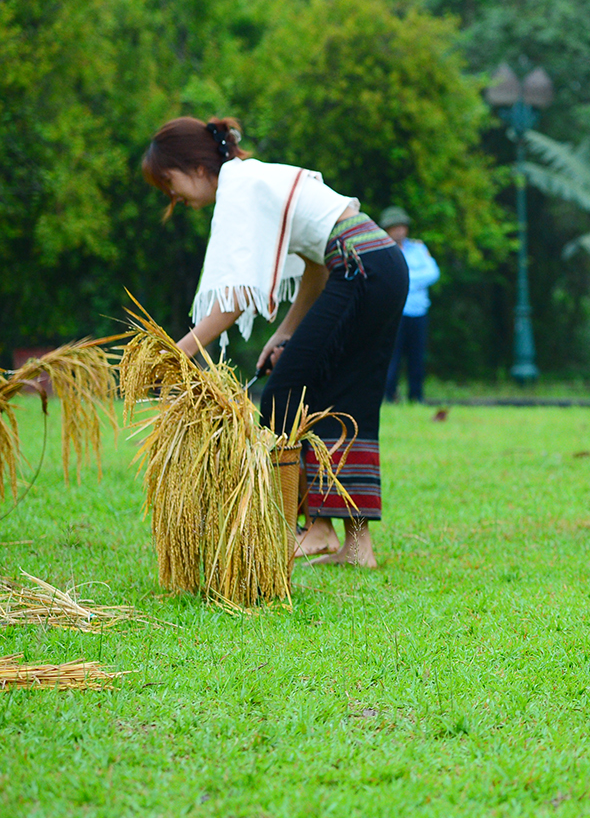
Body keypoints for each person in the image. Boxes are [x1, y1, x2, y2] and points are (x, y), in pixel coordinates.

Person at [141, 116, 406, 568]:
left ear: (197, 168)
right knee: (343, 399)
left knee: (287, 393)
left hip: (361, 266)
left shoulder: (239, 188)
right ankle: (354, 545)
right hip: (376, 265)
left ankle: (308, 529)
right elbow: (315, 266)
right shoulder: (254, 179)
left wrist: (178, 351)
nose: (174, 198)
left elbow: (236, 299)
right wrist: (286, 333)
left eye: (170, 183)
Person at [380, 206, 440, 404]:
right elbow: (385, 278)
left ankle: (417, 396)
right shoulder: (383, 250)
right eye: (394, 227)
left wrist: (405, 279)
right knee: (392, 357)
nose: (399, 231)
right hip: (394, 312)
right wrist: (414, 280)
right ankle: (389, 395)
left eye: (402, 227)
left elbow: (433, 273)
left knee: (417, 356)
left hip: (418, 311)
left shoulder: (418, 248)